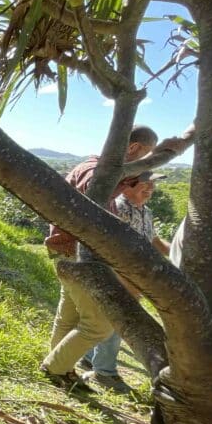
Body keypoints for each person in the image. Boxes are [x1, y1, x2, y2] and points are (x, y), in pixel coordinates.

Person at [41, 126, 159, 391]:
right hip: (81, 254)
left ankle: (61, 367)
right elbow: (99, 222)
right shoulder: (98, 174)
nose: (145, 161)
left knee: (69, 315)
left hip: (68, 250)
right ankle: (54, 368)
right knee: (100, 325)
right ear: (133, 148)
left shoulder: (92, 167)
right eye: (147, 154)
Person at [81, 172, 170, 391]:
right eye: (145, 183)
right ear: (128, 186)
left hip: (135, 275)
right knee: (117, 320)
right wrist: (124, 279)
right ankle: (104, 372)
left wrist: (179, 254)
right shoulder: (117, 209)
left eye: (153, 184)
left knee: (107, 321)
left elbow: (154, 240)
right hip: (117, 274)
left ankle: (89, 356)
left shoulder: (145, 211)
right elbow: (110, 248)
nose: (150, 188)